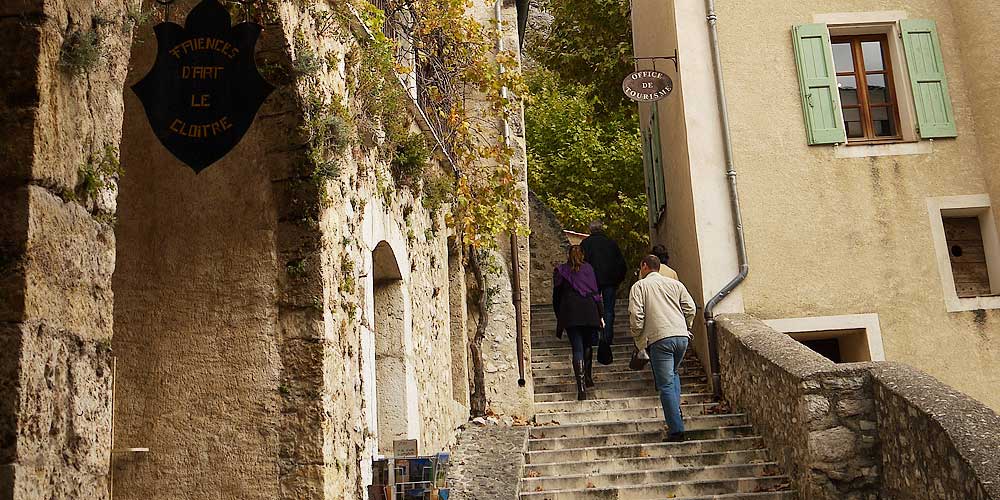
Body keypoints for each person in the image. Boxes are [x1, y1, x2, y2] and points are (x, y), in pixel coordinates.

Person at [628, 254, 696, 442]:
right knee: (673, 375)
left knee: (665, 383)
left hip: (659, 338)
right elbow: (690, 308)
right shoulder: (675, 285)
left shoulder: (640, 286)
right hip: (681, 336)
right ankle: (677, 413)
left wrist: (639, 338)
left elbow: (636, 314)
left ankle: (676, 429)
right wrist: (687, 326)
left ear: (644, 266)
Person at [552, 245, 604, 400]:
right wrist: (601, 314)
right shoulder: (588, 270)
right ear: (583, 255)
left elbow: (556, 295)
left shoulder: (561, 271)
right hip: (589, 310)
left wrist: (559, 314)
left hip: (570, 312)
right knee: (588, 345)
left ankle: (581, 387)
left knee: (577, 349)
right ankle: (587, 377)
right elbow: (596, 293)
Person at [581, 220, 627, 344]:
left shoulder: (585, 244)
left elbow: (581, 264)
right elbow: (621, 264)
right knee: (608, 310)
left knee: (593, 309)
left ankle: (594, 337)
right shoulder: (611, 243)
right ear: (602, 229)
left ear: (590, 230)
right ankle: (607, 337)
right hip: (610, 281)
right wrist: (617, 280)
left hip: (591, 282)